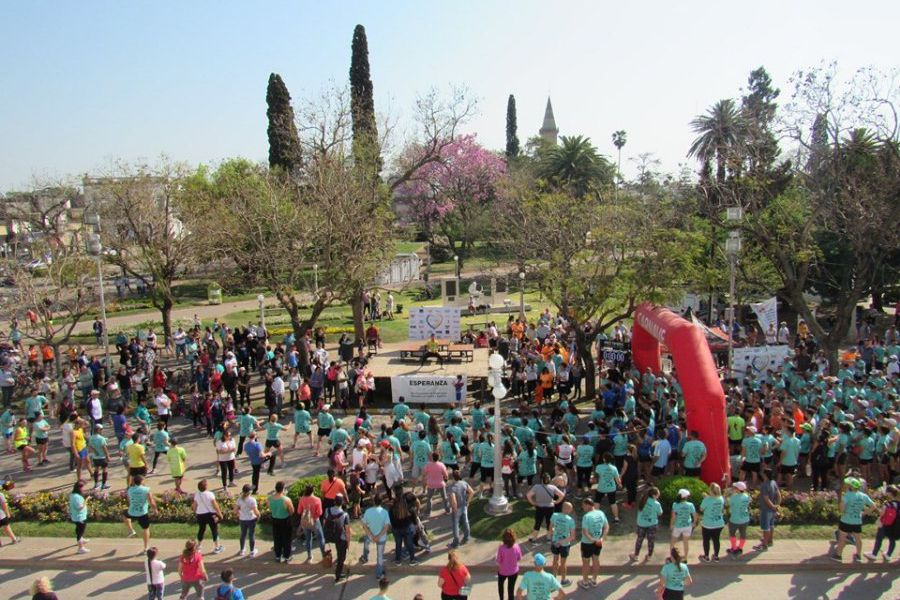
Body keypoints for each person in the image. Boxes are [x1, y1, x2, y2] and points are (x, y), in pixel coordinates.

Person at [832, 477, 876, 562]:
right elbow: (873, 506)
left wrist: (841, 501)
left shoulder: (847, 495)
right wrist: (865, 512)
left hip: (846, 520)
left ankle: (838, 555)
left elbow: (842, 510)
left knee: (842, 539)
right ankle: (858, 555)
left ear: (851, 486)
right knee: (858, 539)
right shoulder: (863, 496)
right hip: (857, 521)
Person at [526, 473, 565, 544]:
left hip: (539, 507)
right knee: (549, 523)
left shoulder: (536, 487)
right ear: (549, 480)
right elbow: (562, 495)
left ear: (541, 480)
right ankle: (549, 538)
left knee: (538, 522)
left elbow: (528, 495)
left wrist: (533, 503)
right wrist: (556, 502)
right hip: (550, 508)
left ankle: (534, 538)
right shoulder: (553, 487)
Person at [578, 497, 608, 589]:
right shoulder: (601, 513)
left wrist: (592, 539)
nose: (583, 507)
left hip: (587, 543)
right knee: (596, 560)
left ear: (588, 505)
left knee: (586, 562)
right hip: (598, 542)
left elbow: (585, 532)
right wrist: (601, 539)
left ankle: (585, 582)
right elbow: (606, 527)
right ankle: (594, 580)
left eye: (583, 505)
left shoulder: (586, 517)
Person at [124, 475, 158, 553]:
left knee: (124, 515)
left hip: (132, 511)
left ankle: (131, 530)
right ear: (142, 481)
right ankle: (146, 547)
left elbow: (129, 501)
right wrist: (155, 510)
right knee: (146, 529)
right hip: (142, 513)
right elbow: (151, 502)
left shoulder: (130, 490)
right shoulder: (146, 489)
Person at [864, 484, 899, 561]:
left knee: (879, 539)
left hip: (884, 524)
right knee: (892, 539)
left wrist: (877, 510)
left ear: (889, 493)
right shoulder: (898, 504)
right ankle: (888, 555)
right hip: (894, 525)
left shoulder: (887, 504)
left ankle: (874, 554)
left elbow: (882, 513)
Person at [361, 492, 391, 580]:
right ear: (382, 502)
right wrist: (378, 536)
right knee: (380, 556)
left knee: (366, 542)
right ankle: (379, 574)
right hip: (381, 538)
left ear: (374, 501)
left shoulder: (368, 511)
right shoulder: (385, 512)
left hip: (371, 535)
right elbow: (386, 527)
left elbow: (364, 525)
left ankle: (365, 557)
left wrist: (371, 535)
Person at [324, 493, 352, 582]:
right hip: (341, 538)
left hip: (331, 536)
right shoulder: (345, 515)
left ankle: (338, 572)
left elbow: (324, 522)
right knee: (341, 557)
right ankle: (338, 575)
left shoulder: (327, 510)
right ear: (342, 502)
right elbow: (347, 530)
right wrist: (348, 542)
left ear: (334, 501)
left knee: (338, 550)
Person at [630, 486, 663, 561]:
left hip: (641, 523)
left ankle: (636, 555)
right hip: (652, 524)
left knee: (639, 539)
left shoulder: (643, 500)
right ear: (654, 495)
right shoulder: (656, 504)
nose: (658, 496)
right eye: (658, 495)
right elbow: (660, 513)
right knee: (651, 541)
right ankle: (649, 556)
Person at [548, 501, 576, 587]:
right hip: (565, 544)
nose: (571, 510)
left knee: (555, 560)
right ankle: (563, 580)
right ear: (568, 509)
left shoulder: (554, 516)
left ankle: (553, 580)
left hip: (555, 542)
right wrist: (562, 542)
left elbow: (550, 528)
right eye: (570, 509)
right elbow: (572, 536)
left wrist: (554, 536)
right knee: (563, 563)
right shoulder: (570, 520)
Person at [193, 479, 224, 554]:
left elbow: (194, 505)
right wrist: (220, 513)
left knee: (201, 529)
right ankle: (217, 547)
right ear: (205, 487)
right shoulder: (210, 494)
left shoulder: (197, 494)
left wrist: (195, 512)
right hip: (210, 514)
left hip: (200, 514)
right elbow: (215, 505)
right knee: (214, 530)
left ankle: (199, 546)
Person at [298, 484, 326, 562]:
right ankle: (323, 555)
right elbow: (320, 513)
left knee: (308, 539)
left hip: (306, 521)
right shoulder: (317, 499)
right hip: (315, 521)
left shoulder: (302, 499)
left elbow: (299, 511)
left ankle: (309, 555)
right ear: (313, 491)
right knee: (321, 538)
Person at [754, 468, 781, 551]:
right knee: (771, 525)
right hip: (772, 510)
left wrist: (772, 506)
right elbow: (779, 495)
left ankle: (764, 545)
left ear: (765, 475)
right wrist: (777, 506)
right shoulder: (773, 482)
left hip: (766, 509)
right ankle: (770, 541)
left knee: (766, 528)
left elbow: (766, 498)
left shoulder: (764, 485)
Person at [270, 480, 295, 563]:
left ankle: (278, 556)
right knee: (286, 539)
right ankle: (286, 556)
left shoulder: (270, 498)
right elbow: (291, 511)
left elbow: (270, 508)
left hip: (275, 519)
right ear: (283, 489)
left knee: (277, 538)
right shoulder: (286, 499)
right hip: (285, 520)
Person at [698, 483, 725, 562]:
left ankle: (706, 556)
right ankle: (716, 556)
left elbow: (701, 509)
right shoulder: (721, 498)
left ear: (711, 490)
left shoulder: (706, 500)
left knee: (706, 540)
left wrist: (705, 498)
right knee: (716, 540)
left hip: (708, 524)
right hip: (719, 523)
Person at [448, 469, 474, 548]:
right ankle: (466, 537)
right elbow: (472, 492)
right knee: (466, 522)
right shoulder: (464, 483)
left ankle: (456, 543)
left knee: (456, 525)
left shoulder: (452, 487)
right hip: (464, 506)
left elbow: (453, 500)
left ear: (453, 477)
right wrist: (468, 502)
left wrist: (455, 509)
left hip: (457, 508)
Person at [593, 452, 621, 523]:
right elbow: (617, 479)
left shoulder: (599, 467)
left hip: (601, 487)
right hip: (612, 487)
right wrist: (620, 485)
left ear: (604, 459)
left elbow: (595, 476)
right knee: (613, 502)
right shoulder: (614, 468)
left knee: (597, 501)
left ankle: (596, 517)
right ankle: (616, 518)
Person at [496, 528, 523, 600]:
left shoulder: (501, 548)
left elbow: (498, 560)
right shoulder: (516, 546)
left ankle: (501, 598)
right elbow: (519, 558)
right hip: (514, 572)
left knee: (500, 586)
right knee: (511, 590)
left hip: (502, 571)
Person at [669, 488, 697, 559]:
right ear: (686, 497)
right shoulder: (690, 505)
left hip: (677, 526)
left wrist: (671, 524)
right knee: (686, 542)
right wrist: (694, 522)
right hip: (688, 526)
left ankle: (672, 557)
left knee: (673, 542)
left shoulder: (675, 504)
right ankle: (685, 557)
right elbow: (695, 515)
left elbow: (673, 517)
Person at [726, 481, 751, 556]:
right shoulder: (747, 496)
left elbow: (728, 504)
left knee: (732, 534)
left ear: (737, 489)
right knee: (743, 534)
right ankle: (740, 548)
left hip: (735, 520)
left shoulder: (734, 497)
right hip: (745, 519)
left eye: (735, 487)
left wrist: (728, 496)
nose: (733, 488)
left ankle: (733, 548)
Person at [87, 423, 111, 490]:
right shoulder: (101, 438)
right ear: (99, 430)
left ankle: (96, 484)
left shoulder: (91, 438)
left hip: (95, 457)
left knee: (96, 469)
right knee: (105, 469)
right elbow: (104, 448)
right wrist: (107, 456)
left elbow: (89, 447)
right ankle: (104, 484)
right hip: (102, 457)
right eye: (101, 430)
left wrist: (95, 452)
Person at [69, 479, 89, 554]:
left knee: (80, 530)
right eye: (83, 487)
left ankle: (81, 540)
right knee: (80, 532)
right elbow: (80, 507)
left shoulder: (73, 495)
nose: (84, 489)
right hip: (79, 517)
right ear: (79, 488)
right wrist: (86, 500)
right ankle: (80, 548)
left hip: (78, 516)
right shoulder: (76, 497)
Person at [216, 429, 237, 493]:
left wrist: (226, 451)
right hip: (223, 459)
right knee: (224, 472)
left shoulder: (232, 440)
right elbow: (219, 451)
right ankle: (225, 485)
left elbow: (234, 449)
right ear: (224, 436)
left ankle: (231, 481)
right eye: (228, 435)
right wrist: (228, 451)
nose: (229, 436)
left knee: (231, 470)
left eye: (230, 435)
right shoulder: (219, 442)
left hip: (231, 458)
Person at [0, 479, 19, 545]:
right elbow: (4, 505)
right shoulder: (0, 495)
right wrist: (7, 513)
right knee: (7, 528)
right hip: (1, 516)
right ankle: (14, 539)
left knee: (7, 528)